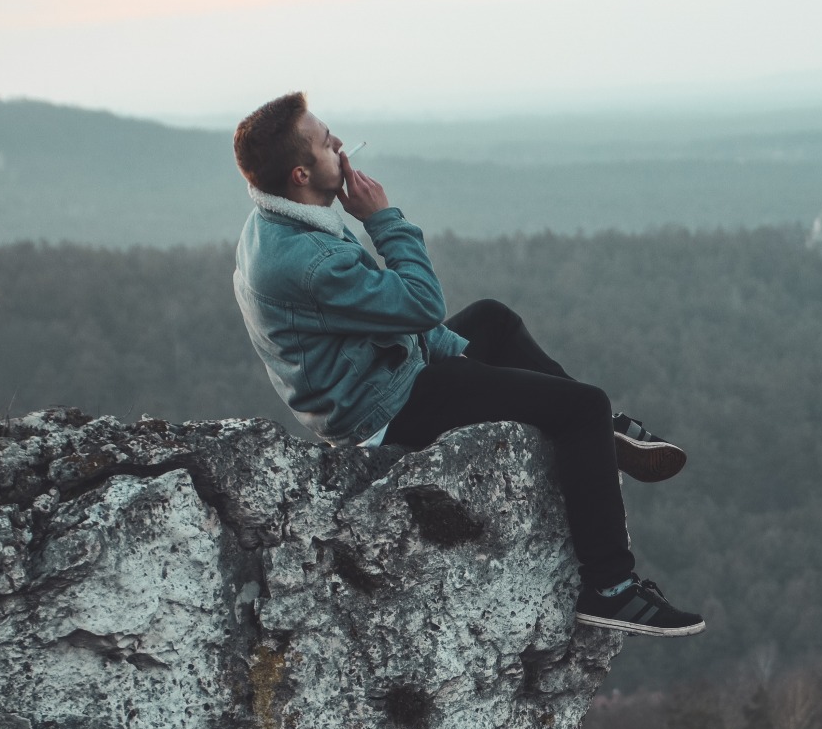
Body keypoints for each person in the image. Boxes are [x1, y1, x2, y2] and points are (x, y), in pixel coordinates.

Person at [229, 91, 704, 637]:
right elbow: (421, 304)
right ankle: (610, 588)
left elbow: (384, 315)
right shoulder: (310, 261)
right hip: (384, 410)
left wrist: (457, 352)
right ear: (299, 172)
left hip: (378, 376)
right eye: (324, 140)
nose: (338, 143)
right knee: (583, 407)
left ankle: (601, 436)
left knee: (492, 321)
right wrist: (385, 220)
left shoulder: (276, 223)